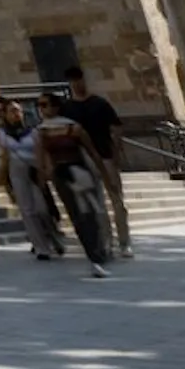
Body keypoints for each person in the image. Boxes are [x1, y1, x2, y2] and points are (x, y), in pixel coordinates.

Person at [35, 92, 113, 276]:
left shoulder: (71, 128)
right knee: (78, 215)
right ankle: (94, 255)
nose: (42, 109)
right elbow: (40, 159)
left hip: (79, 172)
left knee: (91, 212)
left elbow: (92, 152)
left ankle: (98, 251)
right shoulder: (43, 131)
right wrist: (42, 180)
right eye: (40, 105)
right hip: (62, 176)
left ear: (55, 106)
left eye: (45, 104)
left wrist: (105, 175)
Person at [61, 66, 131, 259]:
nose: (76, 83)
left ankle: (124, 242)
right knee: (97, 204)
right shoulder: (67, 108)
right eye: (73, 80)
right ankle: (106, 241)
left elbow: (116, 128)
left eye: (79, 79)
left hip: (105, 155)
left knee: (117, 200)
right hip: (84, 159)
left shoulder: (99, 103)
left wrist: (117, 153)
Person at [0, 98, 63, 260]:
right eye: (12, 111)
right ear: (5, 114)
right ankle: (41, 247)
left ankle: (54, 236)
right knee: (27, 210)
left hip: (33, 169)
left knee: (42, 209)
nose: (16, 114)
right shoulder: (2, 132)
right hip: (16, 171)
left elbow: (41, 151)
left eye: (18, 111)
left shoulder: (32, 131)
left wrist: (44, 170)